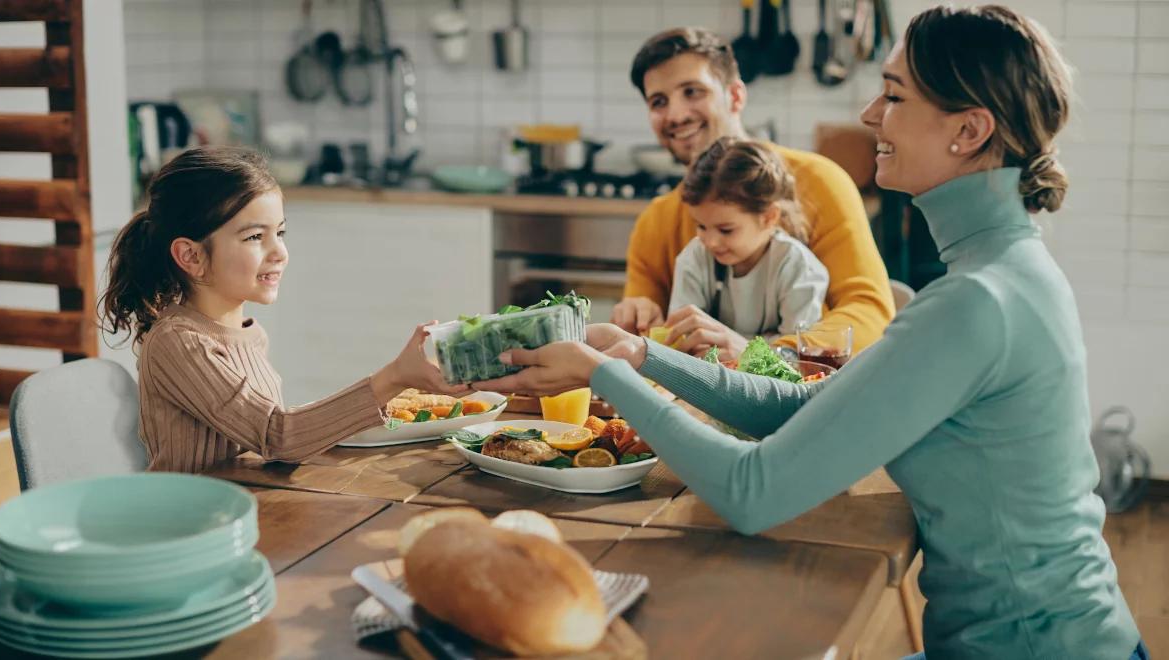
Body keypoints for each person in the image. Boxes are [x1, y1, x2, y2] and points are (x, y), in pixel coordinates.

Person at [477, 6, 1145, 658]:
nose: (868, 115)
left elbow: (752, 494)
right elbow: (813, 405)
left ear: (968, 131)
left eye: (893, 95)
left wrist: (605, 376)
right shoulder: (1004, 271)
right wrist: (644, 356)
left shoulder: (975, 300)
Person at [99, 146, 464, 473]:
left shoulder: (250, 335)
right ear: (191, 256)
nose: (279, 253)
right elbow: (278, 437)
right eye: (255, 237)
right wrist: (394, 377)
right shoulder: (179, 344)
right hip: (190, 532)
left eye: (281, 233)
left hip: (249, 508)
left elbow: (270, 435)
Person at [611, 27, 893, 358]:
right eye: (659, 102)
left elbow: (869, 313)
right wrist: (639, 315)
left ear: (735, 96)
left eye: (692, 91)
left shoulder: (820, 182)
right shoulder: (655, 222)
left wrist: (763, 356)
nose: (676, 115)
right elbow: (651, 344)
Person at [668, 137, 827, 357]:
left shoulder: (798, 267)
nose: (710, 242)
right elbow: (682, 340)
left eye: (726, 230)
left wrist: (746, 353)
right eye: (701, 226)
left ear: (769, 217)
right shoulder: (694, 257)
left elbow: (796, 358)